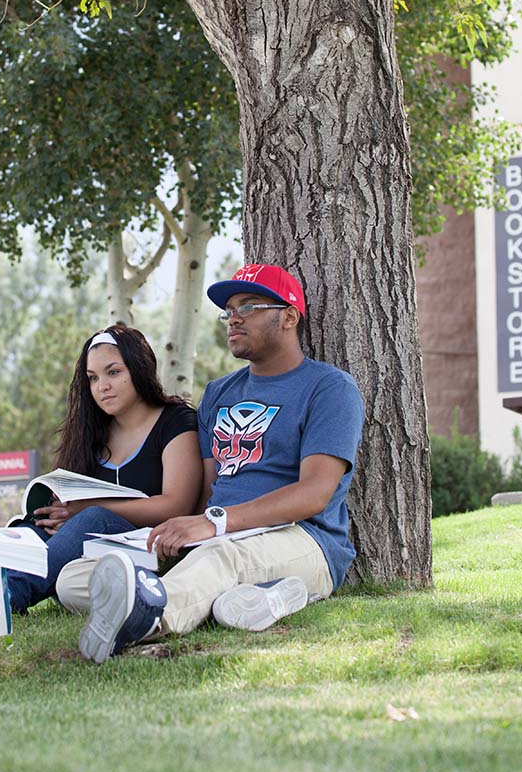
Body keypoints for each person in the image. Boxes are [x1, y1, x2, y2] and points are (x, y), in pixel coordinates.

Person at [56, 263, 365, 662]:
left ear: (289, 317)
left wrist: (215, 524)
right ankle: (243, 601)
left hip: (303, 538)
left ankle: (146, 618)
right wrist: (180, 534)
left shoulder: (329, 388)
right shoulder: (220, 393)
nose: (234, 318)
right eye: (229, 310)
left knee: (217, 559)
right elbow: (207, 491)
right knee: (75, 577)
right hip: (220, 535)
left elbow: (314, 494)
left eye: (248, 306)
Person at [5, 324, 202, 613]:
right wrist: (58, 516)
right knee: (31, 527)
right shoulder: (92, 432)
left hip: (151, 544)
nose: (102, 386)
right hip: (87, 552)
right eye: (93, 378)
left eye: (113, 372)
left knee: (95, 517)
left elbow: (177, 505)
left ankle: (8, 597)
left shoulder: (176, 421)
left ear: (139, 368)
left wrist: (87, 509)